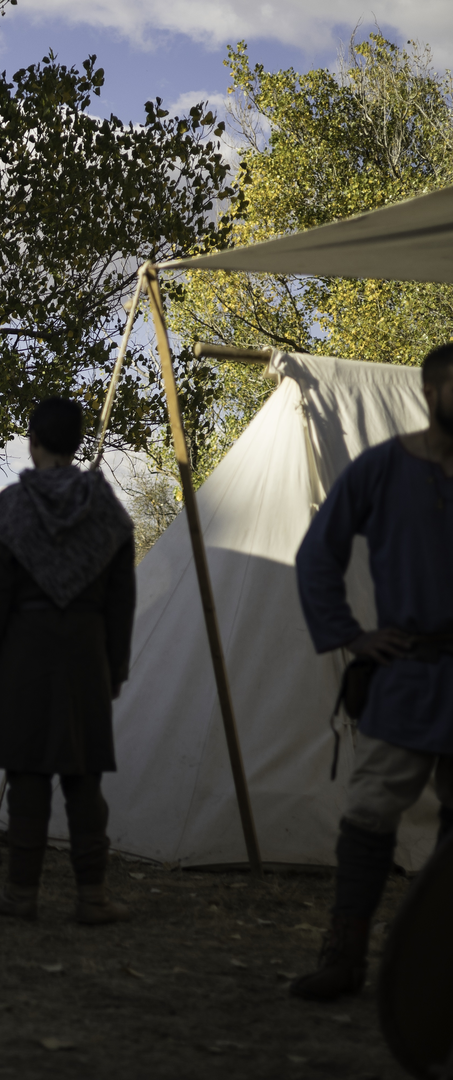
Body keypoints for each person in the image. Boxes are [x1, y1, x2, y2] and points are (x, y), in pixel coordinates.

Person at [292, 342, 453, 1001]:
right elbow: (316, 556)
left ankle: (438, 968)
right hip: (408, 678)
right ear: (433, 390)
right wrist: (353, 639)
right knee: (368, 815)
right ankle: (345, 955)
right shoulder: (383, 469)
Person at [0, 397, 136, 923]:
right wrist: (115, 667)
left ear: (32, 440)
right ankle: (93, 898)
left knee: (29, 772)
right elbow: (120, 601)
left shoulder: (12, 507)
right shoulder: (108, 510)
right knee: (83, 774)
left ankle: (21, 894)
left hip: (23, 652)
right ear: (76, 443)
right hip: (85, 653)